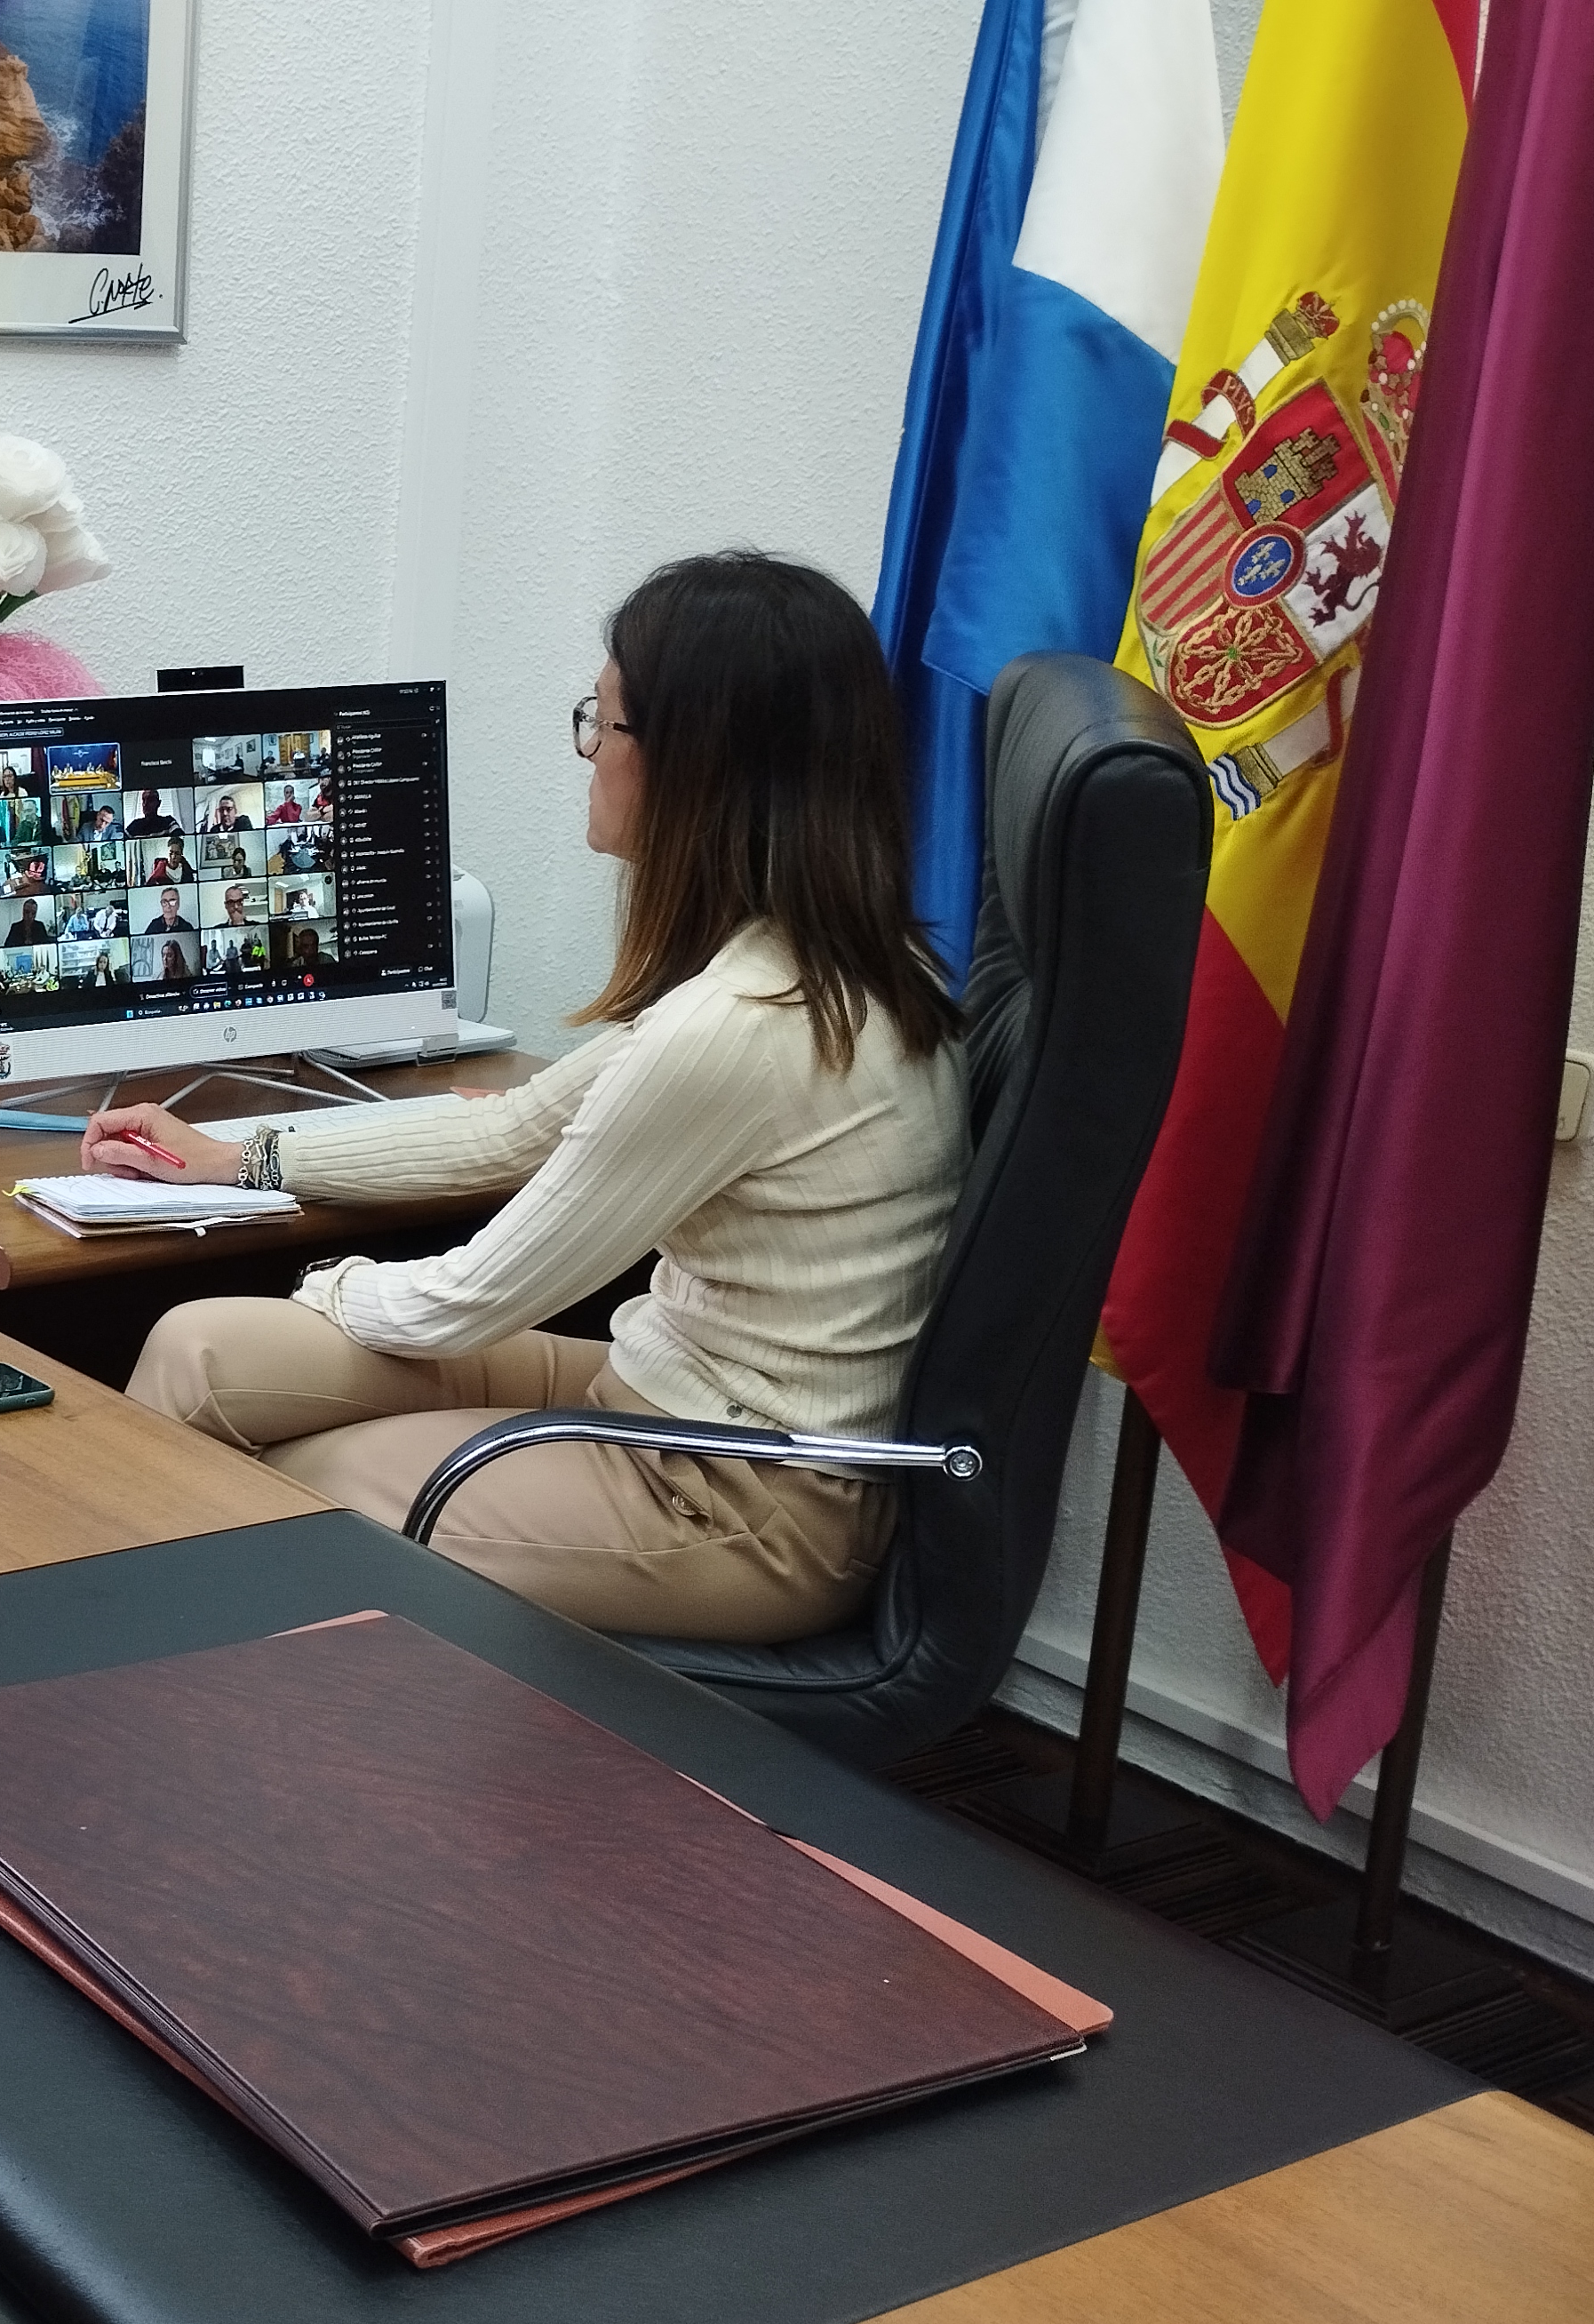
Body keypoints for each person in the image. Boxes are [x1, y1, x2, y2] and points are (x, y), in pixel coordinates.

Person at [92, 552, 966, 1643]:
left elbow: (462, 1302)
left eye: (605, 724)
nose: (590, 754)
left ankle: (176, 1741)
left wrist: (327, 1283)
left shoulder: (740, 1029)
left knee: (293, 1491)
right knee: (195, 1352)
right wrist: (243, 1158)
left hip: (745, 1498)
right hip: (657, 1397)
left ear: (694, 764)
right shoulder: (825, 965)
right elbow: (514, 1127)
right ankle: (129, 1686)